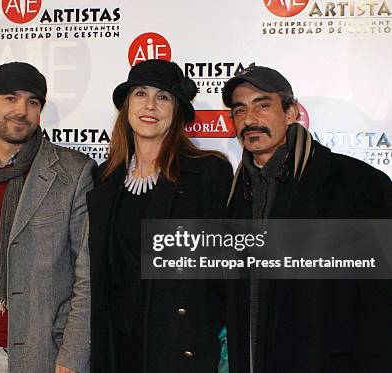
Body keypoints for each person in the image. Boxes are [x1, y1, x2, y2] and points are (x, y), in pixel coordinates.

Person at [223, 65, 392, 373]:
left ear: (291, 112)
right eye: (240, 110)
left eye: (263, 106)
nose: (250, 120)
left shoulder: (357, 185)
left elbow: (381, 301)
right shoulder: (234, 194)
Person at [0, 62, 95, 373]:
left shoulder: (73, 172)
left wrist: (72, 356)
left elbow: (87, 275)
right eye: (10, 98)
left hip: (41, 354)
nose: (22, 110)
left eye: (32, 102)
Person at [87, 59, 235, 373]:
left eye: (163, 97)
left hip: (180, 348)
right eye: (141, 94)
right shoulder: (103, 179)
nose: (150, 105)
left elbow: (226, 272)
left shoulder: (208, 173)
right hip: (118, 350)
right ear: (127, 107)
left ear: (177, 111)